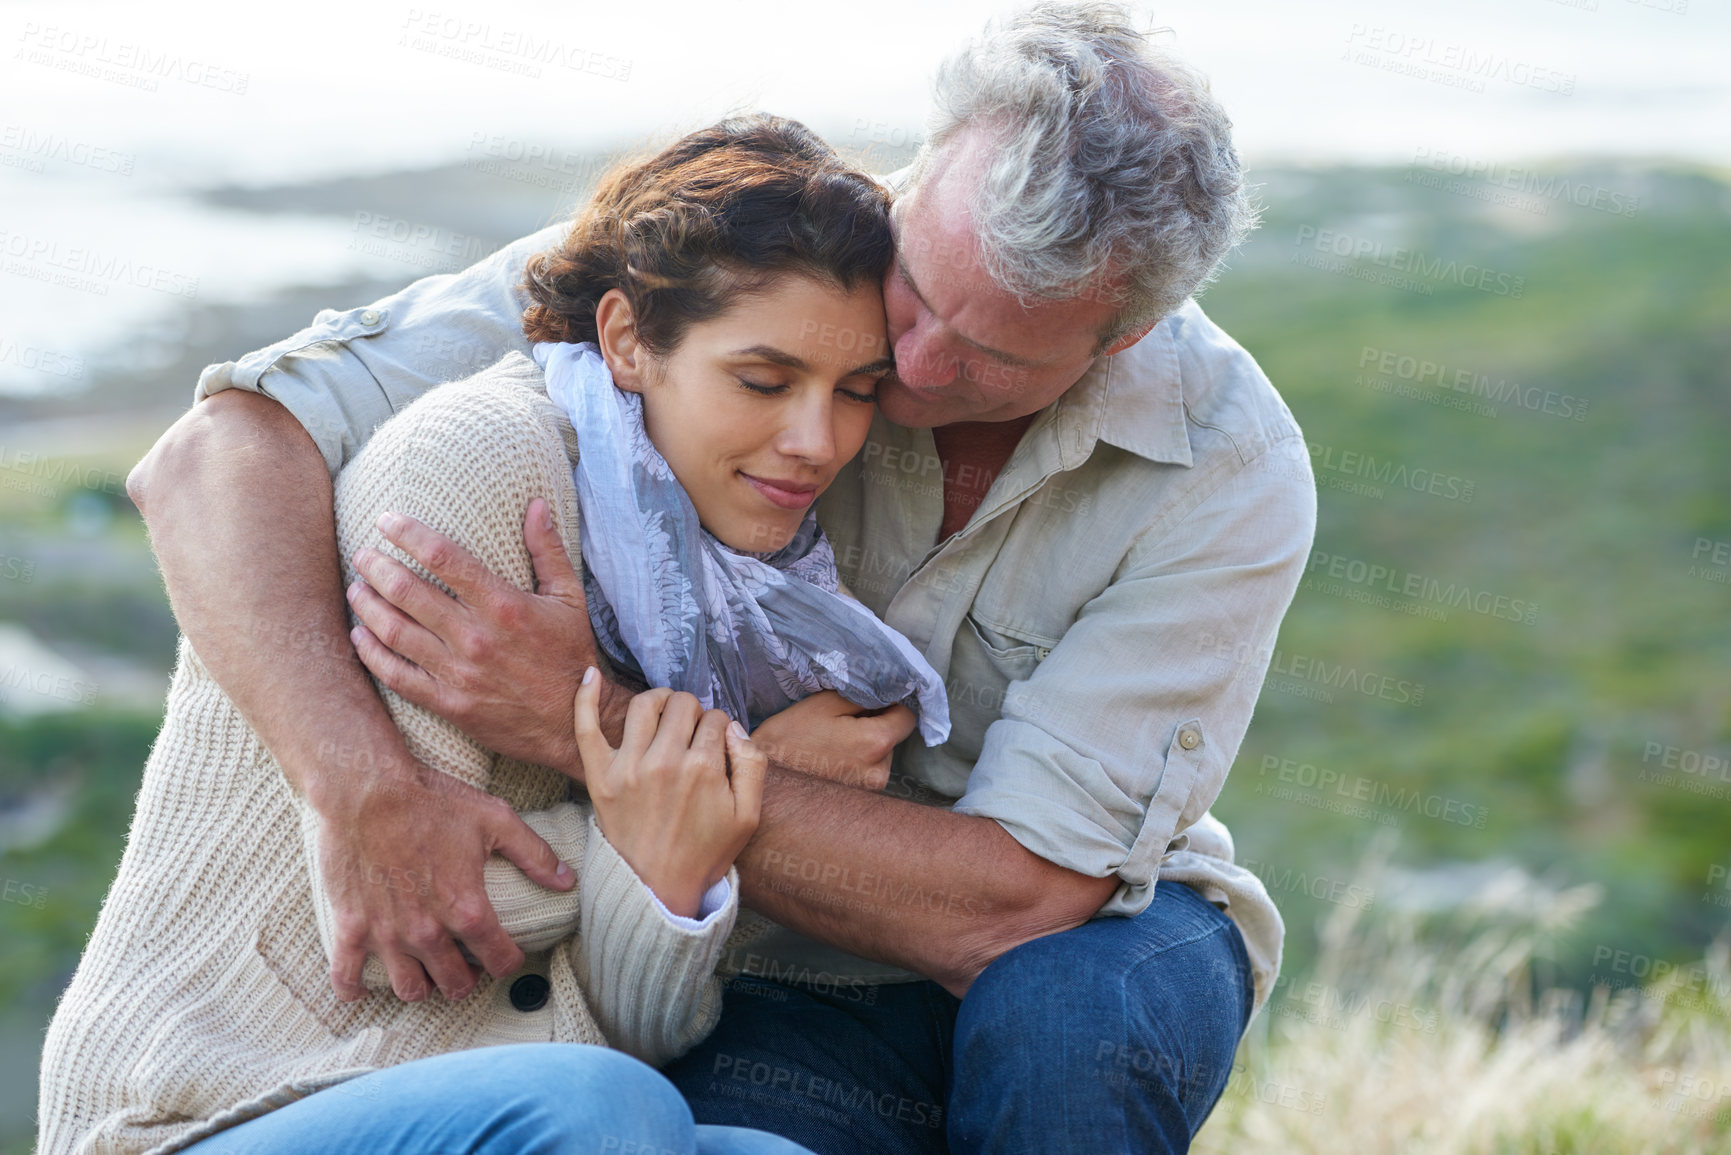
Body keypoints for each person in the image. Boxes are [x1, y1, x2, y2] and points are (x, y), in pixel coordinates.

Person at [120, 3, 1317, 1152]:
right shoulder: (735, 262)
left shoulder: (1229, 471)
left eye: (992, 353)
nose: (910, 360)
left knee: (1070, 1037)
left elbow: (1011, 908)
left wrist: (593, 723)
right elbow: (213, 457)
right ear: (929, 162)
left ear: (1122, 339)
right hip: (767, 949)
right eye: (920, 288)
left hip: (1075, 930)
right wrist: (359, 785)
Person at [38, 114, 948, 1155]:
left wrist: (679, 829)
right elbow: (402, 928)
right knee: (607, 1111)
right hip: (205, 1107)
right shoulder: (479, 468)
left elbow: (636, 1021)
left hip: (478, 1093)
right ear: (626, 340)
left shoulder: (731, 589)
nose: (815, 440)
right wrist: (725, 785)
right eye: (763, 380)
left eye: (857, 393)